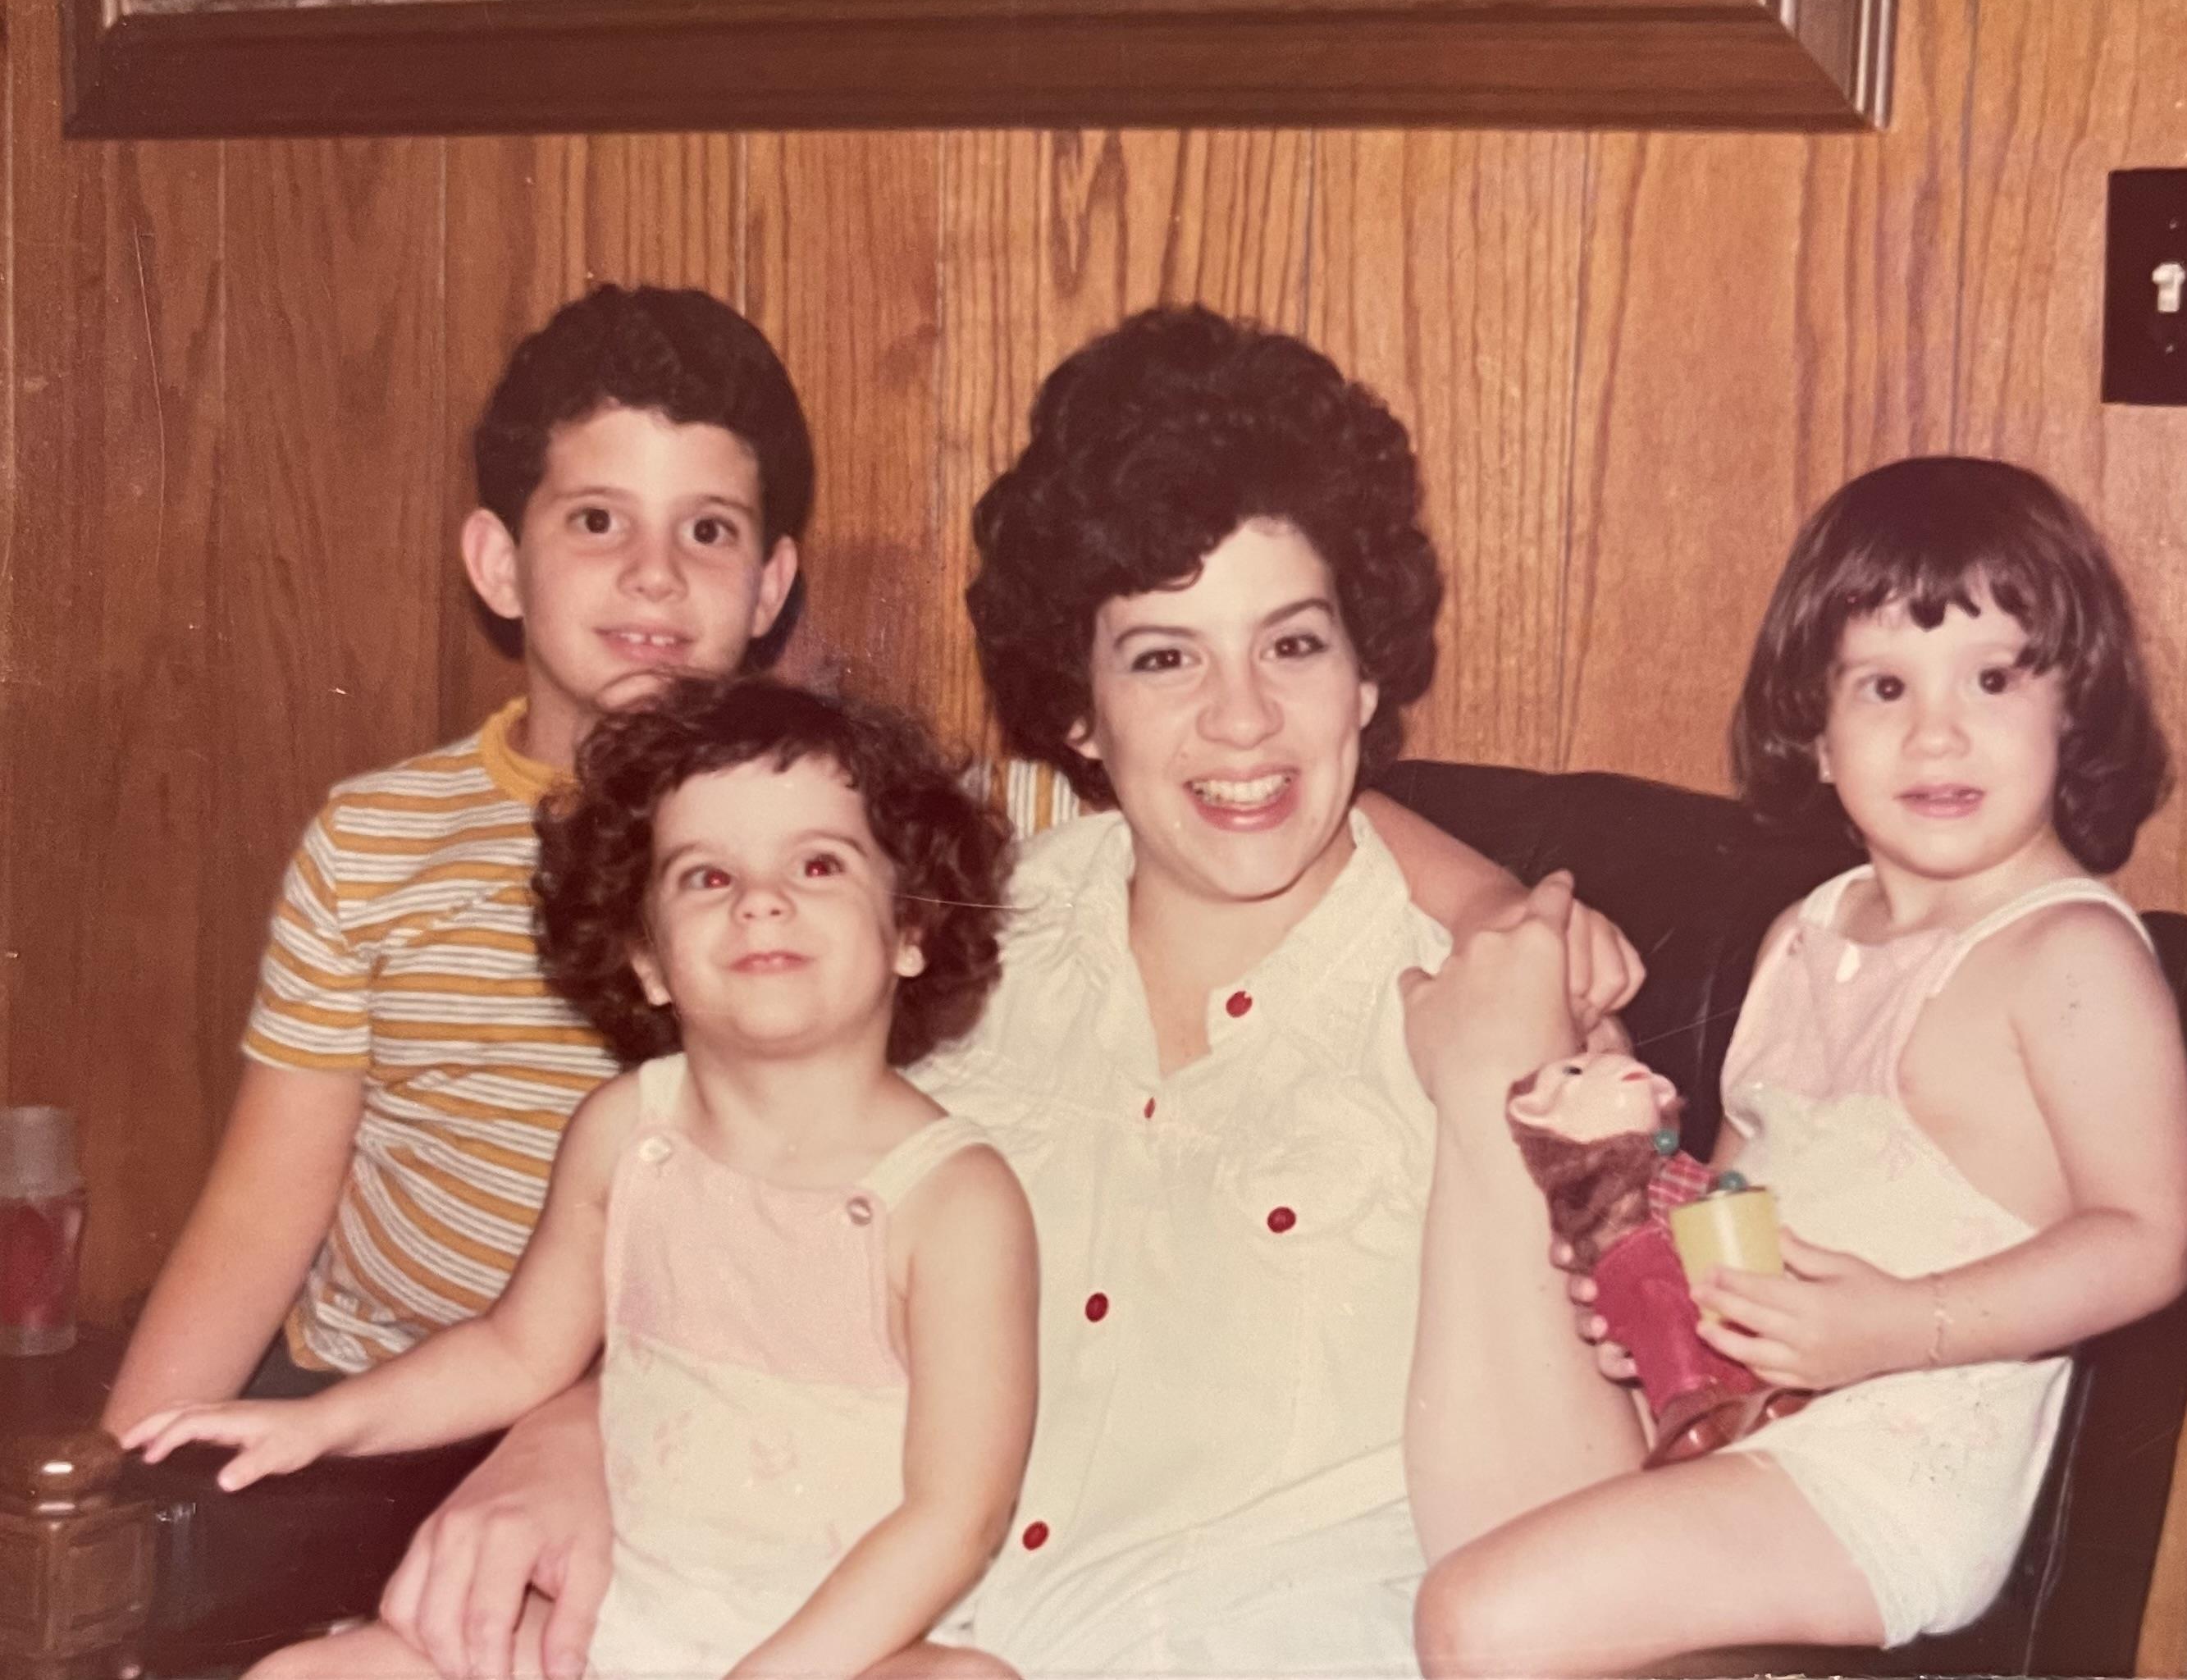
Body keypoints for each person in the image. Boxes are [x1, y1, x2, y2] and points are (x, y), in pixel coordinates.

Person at [364, 305, 1644, 1680]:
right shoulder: (950, 939)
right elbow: (737, 1261)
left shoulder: (1501, 996)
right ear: (1077, 708)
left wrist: (1488, 1085)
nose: (1241, 718)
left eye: (1292, 645)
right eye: (1163, 656)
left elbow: (1561, 1568)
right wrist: (571, 1432)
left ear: (1365, 673)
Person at [1402, 455, 2187, 1673]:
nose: (1937, 731)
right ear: (1816, 734)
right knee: (1470, 1520)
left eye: (1992, 679)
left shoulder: (2069, 955)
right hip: (1745, 1426)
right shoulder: (1806, 934)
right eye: (1883, 686)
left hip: (1886, 1481)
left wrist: (1896, 1325)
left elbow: (2148, 1239)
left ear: (2074, 707)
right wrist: (1656, 1305)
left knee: (1478, 1616)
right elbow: (1732, 1205)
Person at [100, 285, 811, 1634]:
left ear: (769, 585)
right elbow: (262, 1208)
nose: (654, 574)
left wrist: (587, 1417)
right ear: (498, 561)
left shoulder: (798, 861)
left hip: (653, 1427)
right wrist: (120, 1483)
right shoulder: (376, 839)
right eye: (596, 520)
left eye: (707, 529)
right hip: (359, 1411)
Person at [125, 676, 1035, 1680]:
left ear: (910, 929)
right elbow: (515, 1352)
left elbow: (955, 1516)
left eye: (817, 864)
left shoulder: (954, 1199)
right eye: (706, 877)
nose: (760, 899)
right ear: (646, 958)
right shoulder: (625, 1132)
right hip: (611, 1632)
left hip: (842, 1655)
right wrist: (322, 1424)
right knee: (301, 1676)